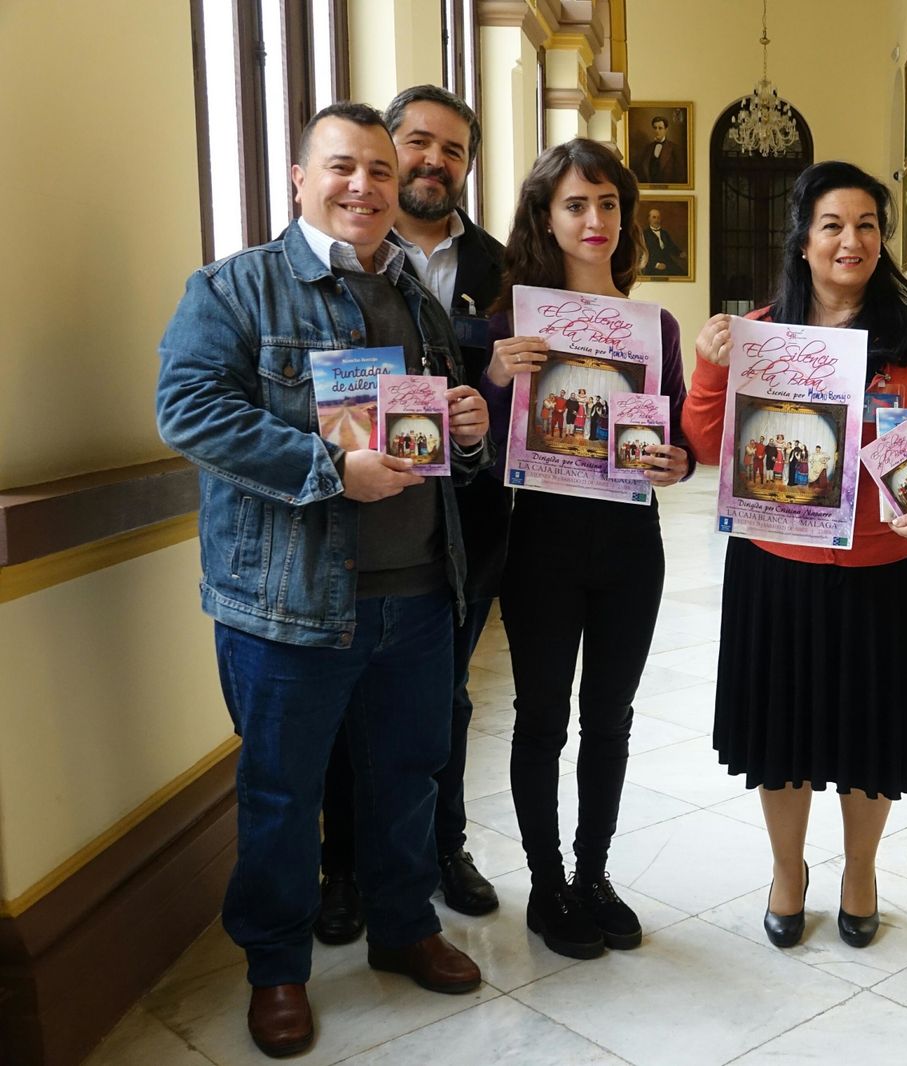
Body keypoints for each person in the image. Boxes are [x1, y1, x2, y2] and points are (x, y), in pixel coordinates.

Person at [155, 102, 489, 1058]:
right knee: (279, 794)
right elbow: (188, 413)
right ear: (298, 180)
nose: (365, 186)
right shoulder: (234, 291)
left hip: (420, 596)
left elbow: (430, 448)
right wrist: (328, 469)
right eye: (343, 167)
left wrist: (465, 432)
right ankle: (276, 968)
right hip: (289, 606)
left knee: (407, 777)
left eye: (381, 172)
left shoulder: (420, 299)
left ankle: (401, 927)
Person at [683, 161, 907, 950]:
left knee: (869, 740)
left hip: (883, 569)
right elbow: (708, 443)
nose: (851, 241)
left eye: (867, 226)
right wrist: (713, 366)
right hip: (775, 568)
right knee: (779, 737)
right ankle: (789, 871)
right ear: (804, 239)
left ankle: (860, 869)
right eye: (833, 225)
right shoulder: (760, 330)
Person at [479, 138, 694, 960]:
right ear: (545, 216)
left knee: (611, 719)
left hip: (630, 539)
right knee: (541, 719)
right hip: (541, 538)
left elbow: (671, 434)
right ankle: (545, 885)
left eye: (608, 204)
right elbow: (483, 448)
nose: (595, 219)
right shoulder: (509, 326)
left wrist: (678, 461)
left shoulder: (655, 326)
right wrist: (497, 376)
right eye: (576, 204)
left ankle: (594, 874)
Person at [312, 86, 507, 950]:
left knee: (442, 704)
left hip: (463, 526)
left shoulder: (505, 266)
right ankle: (344, 869)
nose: (434, 161)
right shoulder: (339, 263)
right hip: (346, 522)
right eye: (417, 144)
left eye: (453, 149)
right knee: (346, 710)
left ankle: (442, 851)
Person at [632, 115, 685, 185]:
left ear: (666, 130)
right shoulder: (647, 148)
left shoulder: (674, 148)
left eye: (660, 128)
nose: (657, 131)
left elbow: (680, 175)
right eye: (655, 128)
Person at [640, 207, 687, 277]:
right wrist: (656, 265)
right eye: (654, 217)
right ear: (649, 219)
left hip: (667, 262)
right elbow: (641, 255)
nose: (656, 220)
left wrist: (679, 253)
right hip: (652, 266)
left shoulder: (664, 233)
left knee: (682, 274)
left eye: (658, 218)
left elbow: (671, 246)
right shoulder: (644, 235)